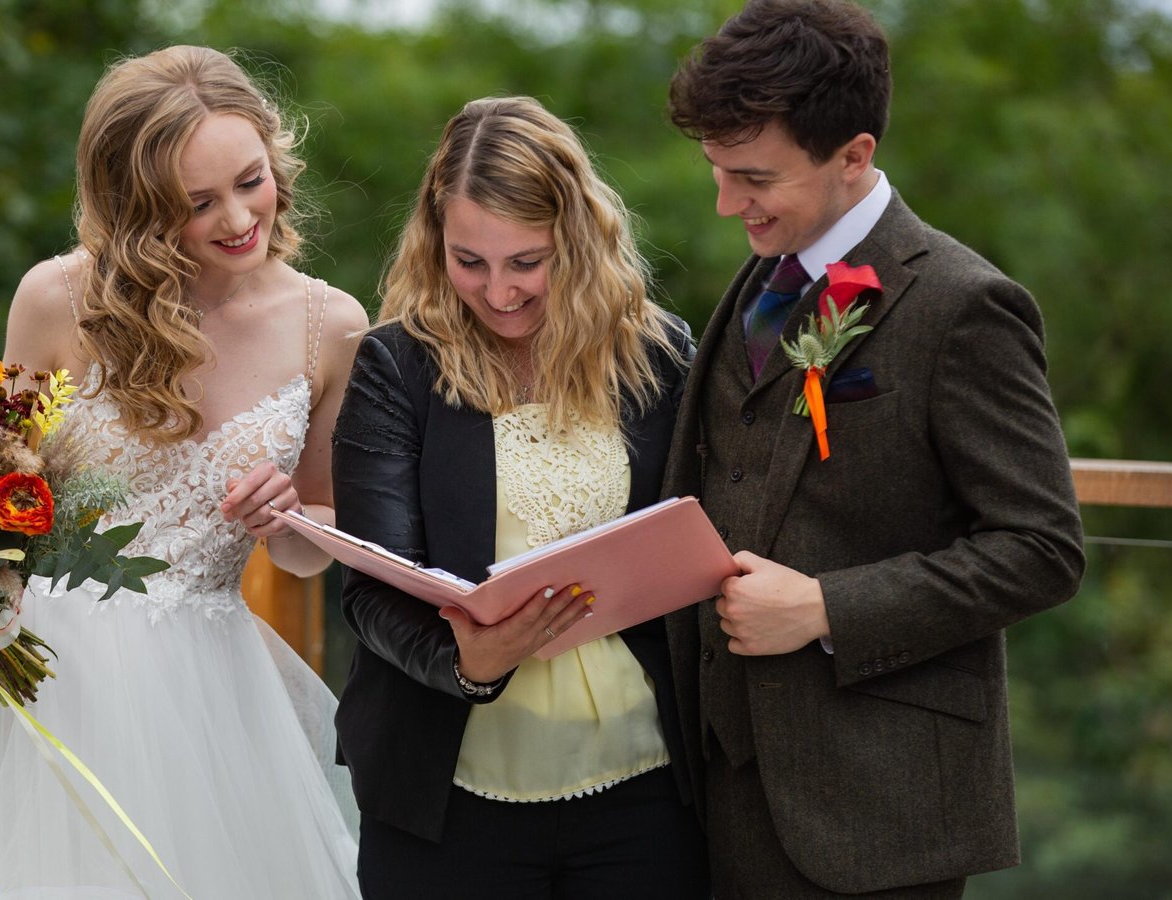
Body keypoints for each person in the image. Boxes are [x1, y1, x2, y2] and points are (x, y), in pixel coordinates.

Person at [0, 45, 367, 898]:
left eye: (250, 180)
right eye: (198, 203)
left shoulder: (328, 326)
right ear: (138, 208)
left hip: (212, 704)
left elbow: (315, 547)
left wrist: (290, 517)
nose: (237, 218)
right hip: (38, 675)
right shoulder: (58, 301)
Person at [658, 1, 1087, 897]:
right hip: (720, 791)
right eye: (718, 172)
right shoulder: (764, 273)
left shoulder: (966, 305)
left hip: (875, 810)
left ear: (855, 156)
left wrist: (825, 609)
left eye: (754, 178)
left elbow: (1042, 549)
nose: (727, 202)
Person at [331, 96, 707, 900]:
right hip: (445, 794)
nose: (498, 292)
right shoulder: (396, 367)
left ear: (577, 240)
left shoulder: (660, 353)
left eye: (525, 263)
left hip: (646, 786)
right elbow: (370, 589)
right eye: (470, 261)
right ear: (435, 243)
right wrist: (466, 662)